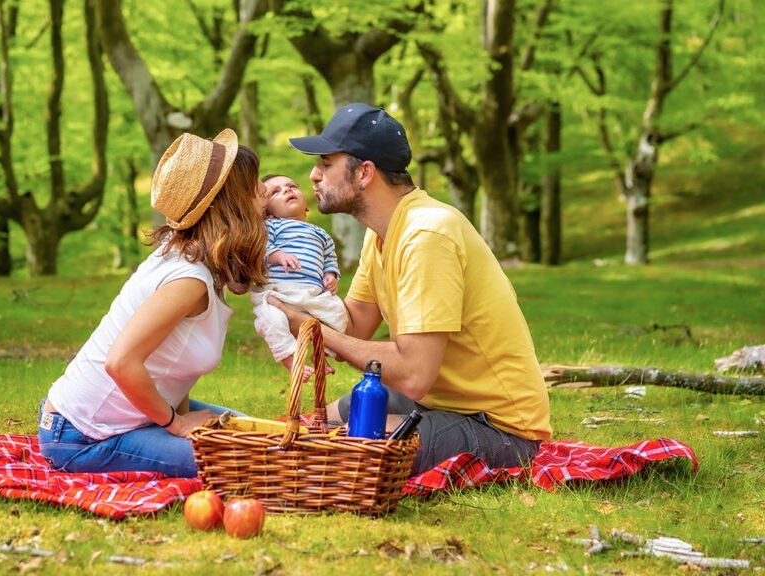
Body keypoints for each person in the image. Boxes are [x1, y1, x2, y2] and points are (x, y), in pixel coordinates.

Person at [275, 103, 552, 474]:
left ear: (364, 173)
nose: (313, 175)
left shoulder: (426, 234)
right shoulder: (381, 233)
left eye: (326, 164)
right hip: (439, 403)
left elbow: (413, 375)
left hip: (498, 428)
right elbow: (353, 326)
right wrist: (287, 299)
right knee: (323, 421)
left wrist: (314, 330)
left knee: (340, 448)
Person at [38, 129, 267, 478]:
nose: (264, 191)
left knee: (257, 435)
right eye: (253, 186)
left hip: (131, 417)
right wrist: (178, 424)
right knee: (245, 462)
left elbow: (173, 364)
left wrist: (184, 419)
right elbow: (120, 361)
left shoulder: (192, 257)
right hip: (81, 436)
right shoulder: (188, 280)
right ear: (231, 204)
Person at [250, 174, 349, 376]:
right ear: (267, 213)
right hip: (277, 293)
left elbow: (329, 257)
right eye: (275, 192)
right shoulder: (270, 226)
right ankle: (291, 359)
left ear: (306, 207)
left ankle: (321, 354)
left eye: (292, 186)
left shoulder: (321, 234)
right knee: (273, 320)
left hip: (312, 295)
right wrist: (277, 255)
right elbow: (259, 246)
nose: (287, 190)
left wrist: (331, 274)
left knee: (339, 313)